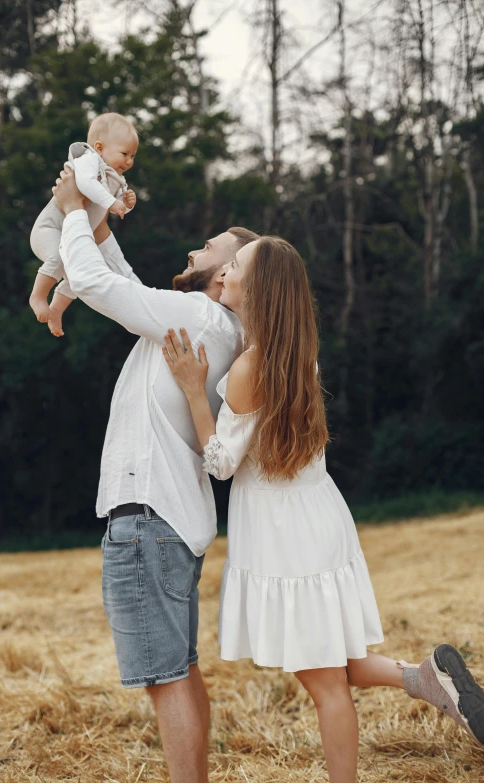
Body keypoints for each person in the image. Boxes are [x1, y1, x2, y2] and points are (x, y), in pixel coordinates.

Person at [162, 235, 484, 783]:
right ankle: (428, 678)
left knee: (326, 685)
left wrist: (195, 392)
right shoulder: (296, 355)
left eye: (234, 266)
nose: (225, 273)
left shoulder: (247, 369)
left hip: (283, 534)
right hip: (319, 518)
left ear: (254, 288)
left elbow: (219, 463)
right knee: (329, 656)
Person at [51, 165, 259, 783]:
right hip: (168, 522)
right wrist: (103, 216)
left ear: (224, 273)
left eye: (214, 243)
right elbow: (125, 284)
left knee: (166, 680)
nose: (199, 245)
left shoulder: (197, 317)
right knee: (179, 671)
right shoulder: (209, 322)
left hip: (147, 521)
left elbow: (92, 281)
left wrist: (68, 209)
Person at [29, 113, 138, 337]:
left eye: (133, 156)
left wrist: (126, 204)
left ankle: (57, 308)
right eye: (124, 154)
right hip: (50, 229)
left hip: (71, 234)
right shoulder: (88, 161)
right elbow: (86, 184)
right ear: (99, 147)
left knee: (81, 271)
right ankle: (38, 296)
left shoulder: (115, 178)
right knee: (59, 259)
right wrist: (112, 201)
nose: (129, 161)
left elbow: (115, 210)